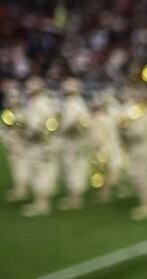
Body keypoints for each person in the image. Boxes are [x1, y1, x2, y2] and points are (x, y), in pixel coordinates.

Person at [118, 86, 147, 220]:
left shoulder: (139, 113)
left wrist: (125, 130)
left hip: (140, 149)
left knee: (141, 177)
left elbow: (138, 133)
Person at [20, 77, 60, 217]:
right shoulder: (36, 103)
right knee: (36, 172)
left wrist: (26, 131)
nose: (27, 90)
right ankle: (39, 202)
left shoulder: (41, 104)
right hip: (37, 144)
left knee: (40, 173)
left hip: (40, 144)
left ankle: (42, 204)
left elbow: (40, 126)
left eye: (30, 87)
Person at [57, 78, 91, 210]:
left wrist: (61, 128)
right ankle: (74, 196)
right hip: (76, 141)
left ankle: (75, 199)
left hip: (72, 141)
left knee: (72, 168)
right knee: (74, 167)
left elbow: (72, 123)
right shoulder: (78, 103)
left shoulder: (73, 104)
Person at [2, 80, 30, 202]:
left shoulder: (22, 113)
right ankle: (18, 187)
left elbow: (24, 128)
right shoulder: (9, 113)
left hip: (20, 143)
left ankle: (21, 189)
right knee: (14, 165)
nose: (11, 100)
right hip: (12, 143)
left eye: (13, 97)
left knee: (20, 166)